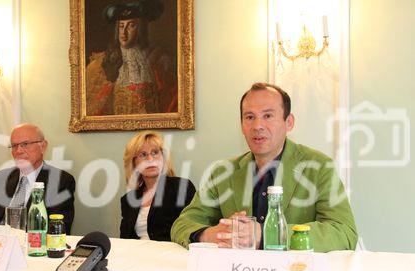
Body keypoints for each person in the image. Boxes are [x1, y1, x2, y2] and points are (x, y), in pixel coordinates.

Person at [171, 83, 358, 252]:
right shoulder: (222, 172)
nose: (257, 126)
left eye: (268, 116)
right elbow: (182, 224)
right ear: (242, 125)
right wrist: (211, 235)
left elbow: (343, 232)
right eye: (249, 117)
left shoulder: (318, 167)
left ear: (289, 122)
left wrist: (267, 234)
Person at [0, 124, 76, 233]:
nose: (18, 151)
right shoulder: (0, 178)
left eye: (25, 144)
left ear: (43, 146)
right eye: (14, 146)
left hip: (31, 247)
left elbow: (57, 229)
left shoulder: (60, 181)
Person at [86, 0, 177, 116]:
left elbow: (171, 103)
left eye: (131, 25)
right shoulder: (100, 63)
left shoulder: (157, 61)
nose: (124, 32)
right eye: (121, 26)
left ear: (141, 29)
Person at [120, 131, 195, 241]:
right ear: (134, 163)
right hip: (136, 256)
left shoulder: (181, 188)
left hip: (172, 256)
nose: (150, 159)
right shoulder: (128, 199)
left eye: (155, 152)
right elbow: (125, 240)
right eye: (143, 154)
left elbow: (193, 231)